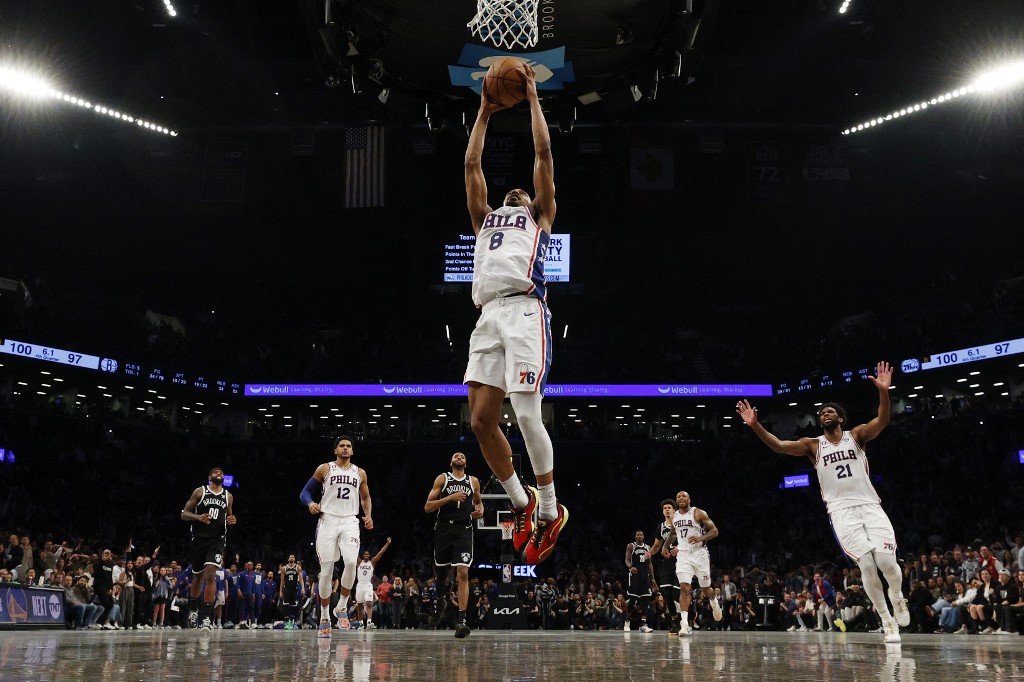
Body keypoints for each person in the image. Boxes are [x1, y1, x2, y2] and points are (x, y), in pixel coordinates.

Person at [463, 62, 567, 566]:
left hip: (526, 311)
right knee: (482, 420)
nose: (516, 192)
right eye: (514, 192)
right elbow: (471, 168)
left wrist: (530, 99)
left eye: (522, 192)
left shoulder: (540, 217)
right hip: (487, 316)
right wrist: (483, 113)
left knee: (526, 412)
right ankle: (523, 503)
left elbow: (543, 152)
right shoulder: (485, 220)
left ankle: (550, 510)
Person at [736, 361, 909, 644]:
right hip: (840, 512)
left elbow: (883, 420)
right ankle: (888, 621)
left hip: (869, 505)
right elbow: (778, 445)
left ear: (841, 418)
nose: (824, 414)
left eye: (830, 411)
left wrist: (884, 392)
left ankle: (897, 596)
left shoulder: (857, 436)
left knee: (888, 564)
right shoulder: (813, 445)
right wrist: (755, 426)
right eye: (821, 413)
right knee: (866, 565)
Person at [299, 436, 373, 639]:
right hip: (328, 520)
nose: (346, 448)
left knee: (351, 562)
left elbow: (365, 497)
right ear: (335, 450)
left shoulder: (360, 473)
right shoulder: (325, 469)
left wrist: (368, 515)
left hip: (350, 520)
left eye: (349, 446)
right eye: (342, 445)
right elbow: (305, 492)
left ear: (353, 451)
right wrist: (310, 504)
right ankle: (324, 617)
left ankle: (341, 605)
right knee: (327, 571)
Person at [424, 451, 484, 638]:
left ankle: (462, 621)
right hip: (444, 529)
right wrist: (450, 498)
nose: (459, 457)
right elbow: (428, 507)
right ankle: (440, 600)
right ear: (451, 462)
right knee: (441, 575)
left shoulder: (473, 481)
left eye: (463, 456)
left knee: (463, 572)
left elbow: (479, 504)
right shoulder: (443, 479)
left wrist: (479, 512)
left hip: (464, 530)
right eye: (456, 456)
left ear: (466, 462)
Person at [180, 467, 236, 631]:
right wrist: (198, 517)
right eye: (215, 472)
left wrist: (232, 519)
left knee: (211, 573)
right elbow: (184, 514)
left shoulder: (228, 496)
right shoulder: (200, 491)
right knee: (198, 577)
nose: (219, 473)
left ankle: (206, 618)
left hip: (217, 540)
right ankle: (193, 610)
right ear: (209, 476)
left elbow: (229, 516)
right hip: (199, 539)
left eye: (221, 472)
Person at [660, 490, 722, 637]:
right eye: (678, 497)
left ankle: (714, 602)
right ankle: (684, 624)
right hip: (683, 555)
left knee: (706, 589)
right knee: (684, 588)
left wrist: (700, 538)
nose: (681, 498)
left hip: (699, 554)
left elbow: (714, 531)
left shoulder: (698, 513)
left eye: (684, 496)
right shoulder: (675, 516)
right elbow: (673, 533)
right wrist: (665, 545)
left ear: (689, 499)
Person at [645, 499, 682, 633]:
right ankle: (675, 622)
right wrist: (649, 553)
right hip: (666, 562)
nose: (666, 509)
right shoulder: (660, 527)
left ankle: (686, 619)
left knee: (677, 593)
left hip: (681, 561)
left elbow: (690, 540)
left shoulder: (680, 523)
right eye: (664, 508)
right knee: (666, 593)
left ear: (674, 510)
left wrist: (680, 548)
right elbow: (656, 546)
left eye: (669, 507)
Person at [353, 539, 392, 630]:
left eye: (368, 554)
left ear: (369, 556)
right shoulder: (359, 562)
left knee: (369, 603)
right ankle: (361, 623)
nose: (366, 555)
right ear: (363, 556)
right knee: (359, 605)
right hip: (360, 585)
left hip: (368, 585)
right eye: (365, 554)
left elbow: (381, 552)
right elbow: (353, 552)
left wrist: (387, 543)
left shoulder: (372, 562)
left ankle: (369, 621)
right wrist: (355, 543)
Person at [624, 530, 656, 633]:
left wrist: (653, 579)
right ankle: (627, 621)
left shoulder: (647, 547)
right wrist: (630, 567)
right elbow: (627, 559)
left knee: (646, 600)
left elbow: (650, 564)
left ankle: (643, 624)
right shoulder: (631, 546)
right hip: (634, 575)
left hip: (645, 575)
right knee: (633, 599)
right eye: (637, 534)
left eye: (641, 534)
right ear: (635, 536)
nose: (639, 536)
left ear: (643, 536)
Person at [279, 554, 304, 629]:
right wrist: (280, 591)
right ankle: (287, 623)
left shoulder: (297, 567)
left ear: (295, 559)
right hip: (286, 588)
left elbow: (301, 579)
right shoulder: (284, 568)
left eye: (293, 557)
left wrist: (303, 588)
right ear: (288, 559)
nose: (292, 558)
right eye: (290, 557)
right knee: (286, 606)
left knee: (294, 606)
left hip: (294, 588)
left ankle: (292, 622)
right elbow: (282, 580)